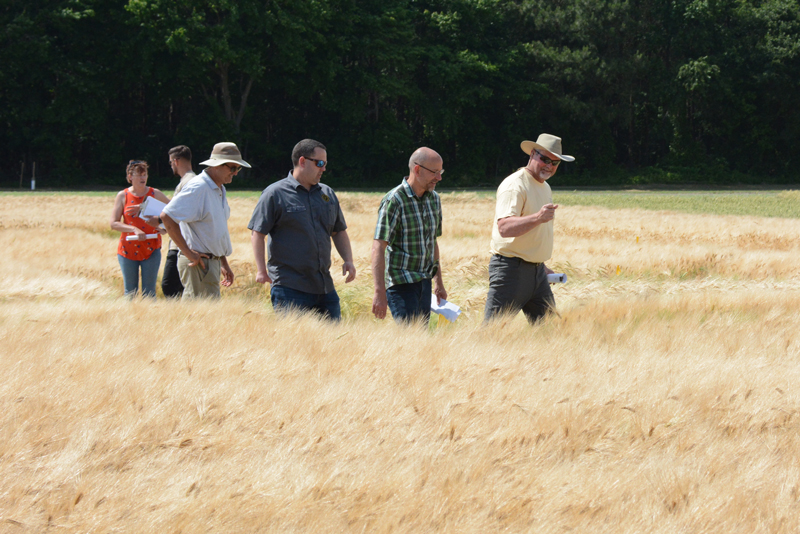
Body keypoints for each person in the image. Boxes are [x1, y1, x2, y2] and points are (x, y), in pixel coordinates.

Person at [248, 139, 356, 320]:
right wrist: (261, 270)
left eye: (325, 164)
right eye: (319, 163)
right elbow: (257, 234)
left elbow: (338, 231)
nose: (324, 169)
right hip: (290, 288)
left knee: (334, 345)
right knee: (295, 346)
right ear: (302, 161)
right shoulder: (275, 194)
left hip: (324, 287)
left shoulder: (327, 194)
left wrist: (349, 260)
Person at [483, 133, 575, 323]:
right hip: (510, 271)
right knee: (492, 333)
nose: (549, 166)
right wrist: (538, 217)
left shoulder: (545, 186)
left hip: (537, 273)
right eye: (544, 159)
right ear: (532, 154)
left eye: (555, 162)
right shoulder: (514, 185)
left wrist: (539, 265)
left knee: (549, 331)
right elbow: (505, 228)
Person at [159, 142, 250, 299]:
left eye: (238, 168)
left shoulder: (219, 188)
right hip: (199, 264)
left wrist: (223, 261)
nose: (235, 173)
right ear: (216, 165)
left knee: (206, 317)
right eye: (232, 168)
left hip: (209, 263)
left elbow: (213, 229)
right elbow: (167, 216)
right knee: (200, 319)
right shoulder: (198, 188)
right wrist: (189, 253)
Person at [371, 147, 447, 324]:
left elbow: (432, 242)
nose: (439, 178)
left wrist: (438, 282)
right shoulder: (394, 200)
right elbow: (378, 247)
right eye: (435, 172)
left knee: (420, 341)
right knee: (409, 339)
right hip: (401, 284)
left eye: (441, 171)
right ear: (417, 169)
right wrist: (379, 292)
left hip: (424, 282)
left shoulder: (434, 199)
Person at [109, 160, 170, 298]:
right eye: (139, 175)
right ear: (130, 176)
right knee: (130, 293)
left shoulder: (155, 194)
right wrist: (134, 229)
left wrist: (165, 228)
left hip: (151, 248)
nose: (143, 178)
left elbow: (173, 212)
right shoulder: (122, 195)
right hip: (128, 249)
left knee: (149, 293)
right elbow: (113, 223)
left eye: (145, 174)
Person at [160, 146, 197, 298]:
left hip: (180, 244)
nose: (171, 166)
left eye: (170, 163)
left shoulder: (188, 182)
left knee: (170, 286)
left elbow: (178, 214)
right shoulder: (191, 180)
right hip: (181, 242)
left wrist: (160, 221)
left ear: (176, 161)